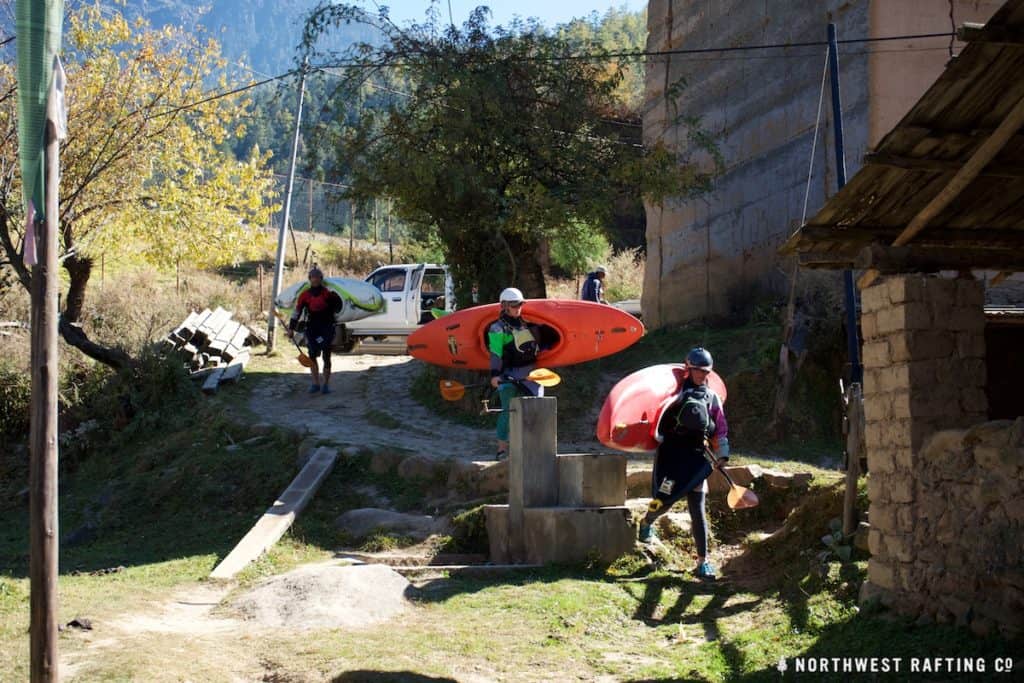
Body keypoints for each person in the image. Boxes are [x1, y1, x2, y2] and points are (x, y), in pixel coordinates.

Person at [638, 346, 730, 580]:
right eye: (698, 370)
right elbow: (656, 420)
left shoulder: (712, 397)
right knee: (664, 499)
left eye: (705, 371)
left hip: (698, 458)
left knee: (697, 509)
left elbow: (720, 427)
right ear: (688, 368)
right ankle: (647, 522)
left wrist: (722, 453)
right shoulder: (674, 394)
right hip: (673, 455)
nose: (702, 375)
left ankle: (702, 562)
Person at [487, 287, 544, 459]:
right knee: (508, 411)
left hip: (530, 374)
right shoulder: (497, 328)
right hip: (508, 375)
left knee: (537, 408)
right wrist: (495, 375)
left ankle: (533, 449)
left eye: (520, 304)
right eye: (514, 305)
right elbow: (496, 353)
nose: (518, 308)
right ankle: (502, 450)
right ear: (504, 306)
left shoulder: (527, 324)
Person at [288, 265, 343, 394]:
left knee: (326, 356)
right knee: (312, 355)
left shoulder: (328, 294)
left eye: (318, 277)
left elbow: (339, 307)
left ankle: (326, 385)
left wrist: (335, 296)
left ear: (321, 279)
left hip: (327, 328)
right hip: (312, 328)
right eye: (313, 277)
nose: (315, 280)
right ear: (309, 279)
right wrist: (291, 328)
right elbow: (296, 313)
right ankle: (315, 383)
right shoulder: (304, 295)